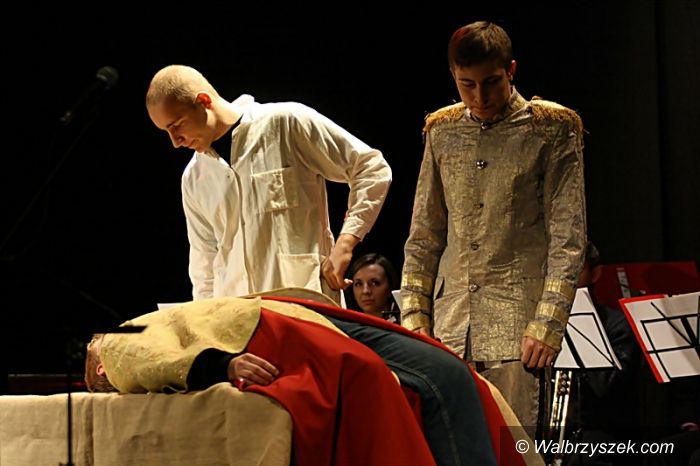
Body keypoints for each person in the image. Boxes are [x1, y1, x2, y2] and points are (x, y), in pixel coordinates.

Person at [400, 20, 587, 432]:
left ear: (511, 70)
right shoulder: (442, 131)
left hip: (519, 327)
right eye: (466, 85)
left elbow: (568, 239)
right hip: (448, 326)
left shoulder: (551, 128)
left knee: (513, 450)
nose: (479, 97)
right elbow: (424, 236)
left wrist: (548, 322)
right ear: (453, 76)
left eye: (491, 83)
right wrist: (414, 317)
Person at [85, 294, 506, 466]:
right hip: (275, 328)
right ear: (102, 368)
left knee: (443, 372)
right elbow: (145, 361)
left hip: (285, 314)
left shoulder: (135, 330)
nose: (95, 340)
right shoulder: (116, 346)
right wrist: (222, 365)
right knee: (435, 375)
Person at [145, 65, 392, 304]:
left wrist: (345, 244)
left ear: (203, 101)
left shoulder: (285, 123)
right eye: (166, 131)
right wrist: (207, 323)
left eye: (176, 125)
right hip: (239, 318)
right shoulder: (194, 177)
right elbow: (204, 262)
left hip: (304, 304)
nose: (175, 141)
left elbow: (371, 168)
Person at [561, 241, 641, 466]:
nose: (564, 281)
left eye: (574, 271)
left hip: (600, 433)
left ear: (595, 273)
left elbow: (607, 391)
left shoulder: (617, 325)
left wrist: (582, 331)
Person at [344, 253, 400, 322]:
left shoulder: (407, 324)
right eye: (358, 284)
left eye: (374, 283)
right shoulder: (345, 326)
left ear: (390, 288)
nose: (365, 291)